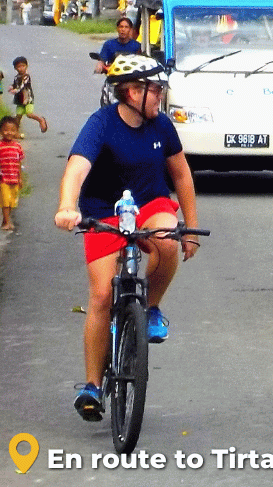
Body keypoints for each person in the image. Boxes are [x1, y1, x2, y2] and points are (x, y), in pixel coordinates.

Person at [54, 54, 200, 421]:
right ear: (133, 92)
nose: (160, 96)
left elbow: (181, 175)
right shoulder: (101, 124)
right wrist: (67, 206)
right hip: (103, 210)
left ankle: (150, 308)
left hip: (150, 202)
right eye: (156, 89)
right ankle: (91, 386)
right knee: (102, 295)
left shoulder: (162, 126)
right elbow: (77, 167)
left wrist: (191, 230)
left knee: (166, 240)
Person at [9, 56, 47, 134]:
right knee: (18, 117)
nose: (21, 68)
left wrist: (15, 90)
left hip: (27, 99)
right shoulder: (17, 77)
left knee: (29, 114)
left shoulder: (26, 76)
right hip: (20, 100)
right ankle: (15, 132)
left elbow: (22, 86)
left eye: (23, 66)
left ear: (26, 66)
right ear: (15, 68)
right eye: (19, 67)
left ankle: (40, 119)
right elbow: (15, 84)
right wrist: (12, 86)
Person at [0, 115, 24, 232]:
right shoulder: (0, 146)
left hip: (14, 178)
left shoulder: (17, 147)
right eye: (6, 130)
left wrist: (20, 178)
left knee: (12, 202)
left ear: (16, 132)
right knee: (5, 201)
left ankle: (6, 219)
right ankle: (8, 222)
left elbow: (19, 163)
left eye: (12, 130)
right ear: (1, 131)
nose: (9, 132)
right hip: (3, 178)